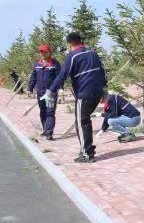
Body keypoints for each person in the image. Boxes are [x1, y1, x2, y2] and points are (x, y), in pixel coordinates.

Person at [45, 32, 107, 163]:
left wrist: (51, 90)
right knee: (85, 120)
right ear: (81, 41)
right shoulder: (93, 53)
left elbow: (63, 74)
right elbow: (102, 71)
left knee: (81, 122)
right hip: (97, 93)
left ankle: (86, 154)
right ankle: (87, 149)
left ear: (70, 44)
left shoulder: (73, 56)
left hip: (84, 94)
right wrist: (104, 90)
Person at [27, 44, 61, 140]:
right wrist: (30, 88)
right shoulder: (37, 64)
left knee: (50, 112)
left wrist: (60, 88)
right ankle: (45, 130)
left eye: (45, 52)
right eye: (41, 52)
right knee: (43, 112)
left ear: (49, 52)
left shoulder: (55, 64)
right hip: (40, 93)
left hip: (51, 93)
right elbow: (33, 78)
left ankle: (49, 133)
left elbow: (59, 77)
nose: (43, 53)